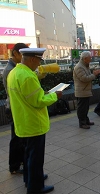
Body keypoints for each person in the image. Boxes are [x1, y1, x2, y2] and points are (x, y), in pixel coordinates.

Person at [7, 48, 62, 193]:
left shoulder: (14, 73)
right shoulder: (28, 76)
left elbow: (27, 96)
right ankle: (35, 187)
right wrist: (55, 95)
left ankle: (29, 179)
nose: (39, 65)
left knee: (27, 155)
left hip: (22, 122)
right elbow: (38, 101)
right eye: (38, 61)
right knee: (35, 158)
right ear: (32, 59)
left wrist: (43, 93)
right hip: (33, 124)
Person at [2, 43, 28, 175]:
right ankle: (14, 166)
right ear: (16, 53)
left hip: (16, 107)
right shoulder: (9, 70)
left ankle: (21, 161)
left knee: (20, 137)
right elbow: (12, 92)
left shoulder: (15, 67)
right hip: (13, 108)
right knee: (16, 138)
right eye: (23, 55)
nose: (25, 58)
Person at [73, 51, 100, 129]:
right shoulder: (79, 67)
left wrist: (94, 73)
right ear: (85, 59)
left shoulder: (85, 66)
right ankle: (82, 123)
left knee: (85, 108)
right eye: (90, 58)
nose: (91, 59)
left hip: (85, 90)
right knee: (82, 108)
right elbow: (84, 78)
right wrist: (94, 75)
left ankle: (86, 120)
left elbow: (88, 76)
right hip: (81, 91)